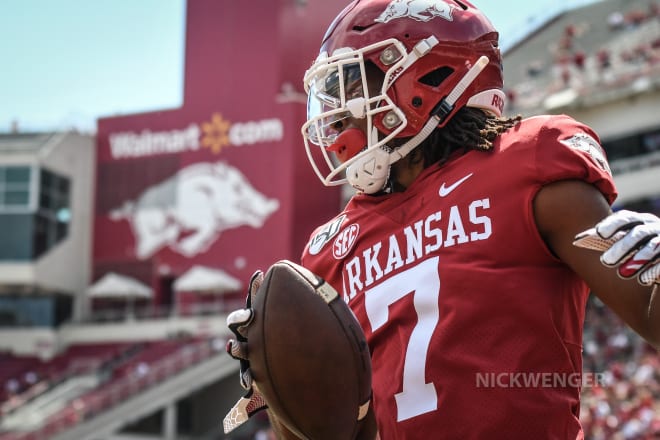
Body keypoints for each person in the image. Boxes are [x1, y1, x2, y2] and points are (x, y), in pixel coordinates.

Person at [225, 0, 660, 438]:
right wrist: (279, 386)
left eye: (354, 84)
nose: (337, 113)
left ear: (428, 77)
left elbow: (650, 314)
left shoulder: (527, 164)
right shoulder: (329, 249)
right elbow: (328, 430)